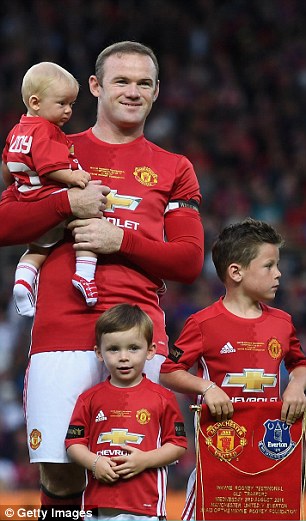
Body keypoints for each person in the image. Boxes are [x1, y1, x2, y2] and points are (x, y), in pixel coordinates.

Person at [0, 41, 204, 517]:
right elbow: (5, 222)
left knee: (130, 472)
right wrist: (67, 203)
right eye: (120, 80)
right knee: (59, 467)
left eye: (143, 83)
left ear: (156, 92)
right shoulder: (57, 147)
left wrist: (121, 242)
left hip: (138, 336)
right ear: (95, 86)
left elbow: (189, 261)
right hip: (62, 330)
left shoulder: (175, 168)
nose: (132, 92)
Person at [160, 217, 306, 520]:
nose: (279, 274)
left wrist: (296, 385)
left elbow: (299, 364)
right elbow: (168, 369)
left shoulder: (282, 322)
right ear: (236, 272)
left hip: (270, 450)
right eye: (269, 266)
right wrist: (207, 387)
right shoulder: (202, 323)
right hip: (220, 450)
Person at [65, 303, 187, 521]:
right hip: (98, 509)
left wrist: (145, 460)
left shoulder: (163, 397)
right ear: (99, 352)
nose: (123, 357)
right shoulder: (89, 398)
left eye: (133, 348)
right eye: (113, 349)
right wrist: (95, 463)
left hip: (146, 510)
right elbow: (73, 444)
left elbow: (178, 445)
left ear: (150, 351)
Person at [1, 61, 101, 316]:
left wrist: (16, 186)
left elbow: (6, 168)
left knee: (37, 248)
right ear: (35, 102)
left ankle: (23, 282)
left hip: (26, 198)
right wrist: (74, 177)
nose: (68, 111)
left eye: (71, 104)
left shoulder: (17, 130)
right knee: (90, 216)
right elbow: (49, 167)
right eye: (61, 104)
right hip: (49, 195)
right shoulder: (47, 130)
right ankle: (85, 274)